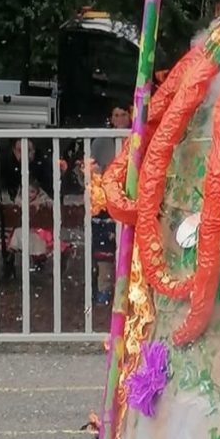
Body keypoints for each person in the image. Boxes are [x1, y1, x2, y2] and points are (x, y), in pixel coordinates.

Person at [90, 105, 132, 304]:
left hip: (131, 198)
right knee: (104, 248)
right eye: (116, 115)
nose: (120, 119)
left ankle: (128, 291)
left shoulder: (137, 138)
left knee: (129, 245)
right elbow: (91, 169)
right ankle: (104, 289)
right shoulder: (101, 142)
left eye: (123, 114)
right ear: (111, 118)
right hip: (106, 200)